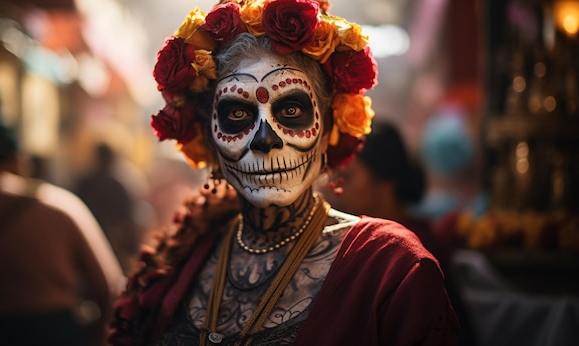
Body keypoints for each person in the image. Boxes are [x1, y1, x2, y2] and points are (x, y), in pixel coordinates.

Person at [109, 1, 459, 345]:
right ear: (209, 138)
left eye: (291, 109)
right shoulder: (186, 256)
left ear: (328, 131)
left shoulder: (390, 267)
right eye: (236, 115)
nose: (265, 140)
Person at [0, 117, 125, 346]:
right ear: (19, 161)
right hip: (55, 332)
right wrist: (96, 338)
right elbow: (110, 287)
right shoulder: (59, 206)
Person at [320, 120, 476, 346]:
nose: (334, 189)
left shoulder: (417, 250)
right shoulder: (347, 239)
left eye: (348, 176)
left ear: (385, 179)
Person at [75, 142, 143, 273]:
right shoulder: (119, 186)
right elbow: (127, 219)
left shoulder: (85, 183)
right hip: (112, 242)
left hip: (87, 238)